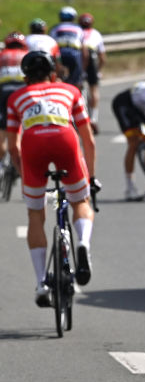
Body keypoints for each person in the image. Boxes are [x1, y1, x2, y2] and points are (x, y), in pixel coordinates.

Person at [5, 51, 97, 304]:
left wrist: (24, 173)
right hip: (65, 139)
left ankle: (41, 284)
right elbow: (88, 139)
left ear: (26, 78)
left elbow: (13, 146)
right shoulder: (70, 91)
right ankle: (83, 244)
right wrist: (91, 177)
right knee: (81, 201)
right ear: (53, 74)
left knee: (35, 214)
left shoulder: (16, 98)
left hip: (33, 143)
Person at [1, 31, 29, 171]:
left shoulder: (2, 54)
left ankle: (1, 164)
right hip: (22, 92)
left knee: (3, 127)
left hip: (3, 91)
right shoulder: (27, 55)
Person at [79, 13, 105, 133]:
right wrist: (98, 71)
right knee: (93, 89)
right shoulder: (96, 33)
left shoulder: (77, 31)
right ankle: (93, 118)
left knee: (80, 89)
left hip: (80, 57)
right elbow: (102, 57)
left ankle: (82, 116)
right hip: (92, 57)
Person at [50, 6, 86, 90]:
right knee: (76, 80)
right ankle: (76, 91)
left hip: (60, 53)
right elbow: (84, 48)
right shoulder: (78, 28)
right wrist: (83, 68)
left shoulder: (55, 28)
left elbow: (51, 43)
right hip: (74, 54)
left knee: (58, 77)